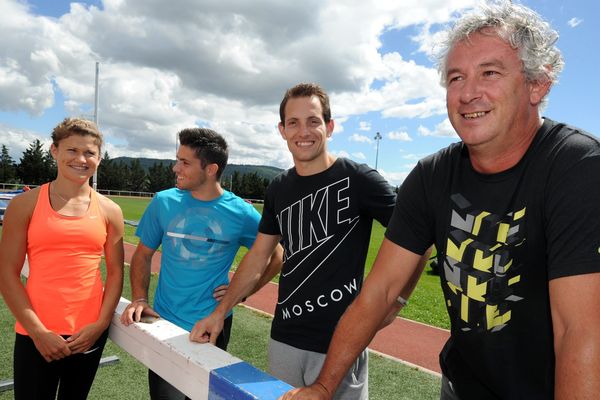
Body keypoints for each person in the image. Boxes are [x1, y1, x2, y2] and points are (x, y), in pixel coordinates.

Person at [280, 2, 600, 399]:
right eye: (455, 77)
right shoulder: (432, 176)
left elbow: (580, 332)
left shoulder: (577, 167)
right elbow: (378, 292)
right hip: (460, 387)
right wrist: (325, 386)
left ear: (537, 85)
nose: (468, 93)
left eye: (490, 73)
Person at [190, 83, 425, 400]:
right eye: (293, 122)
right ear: (282, 130)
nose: (304, 131)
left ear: (329, 126)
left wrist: (398, 301)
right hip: (284, 337)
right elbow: (259, 256)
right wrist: (220, 312)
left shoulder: (360, 180)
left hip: (341, 341)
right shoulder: (278, 188)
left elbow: (418, 238)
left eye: (313, 120)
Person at [120, 127, 283, 400]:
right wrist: (138, 297)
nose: (175, 168)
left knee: (203, 396)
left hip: (212, 322)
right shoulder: (164, 201)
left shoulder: (241, 212)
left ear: (211, 169)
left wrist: (244, 292)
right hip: (164, 320)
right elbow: (143, 254)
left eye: (185, 162)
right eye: (177, 159)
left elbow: (276, 255)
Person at [0, 118, 124, 400]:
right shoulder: (24, 205)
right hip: (36, 332)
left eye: (89, 153)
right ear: (54, 151)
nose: (81, 159)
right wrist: (38, 331)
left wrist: (100, 325)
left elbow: (116, 274)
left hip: (87, 334)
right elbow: (7, 273)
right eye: (72, 150)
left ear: (99, 159)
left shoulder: (109, 210)